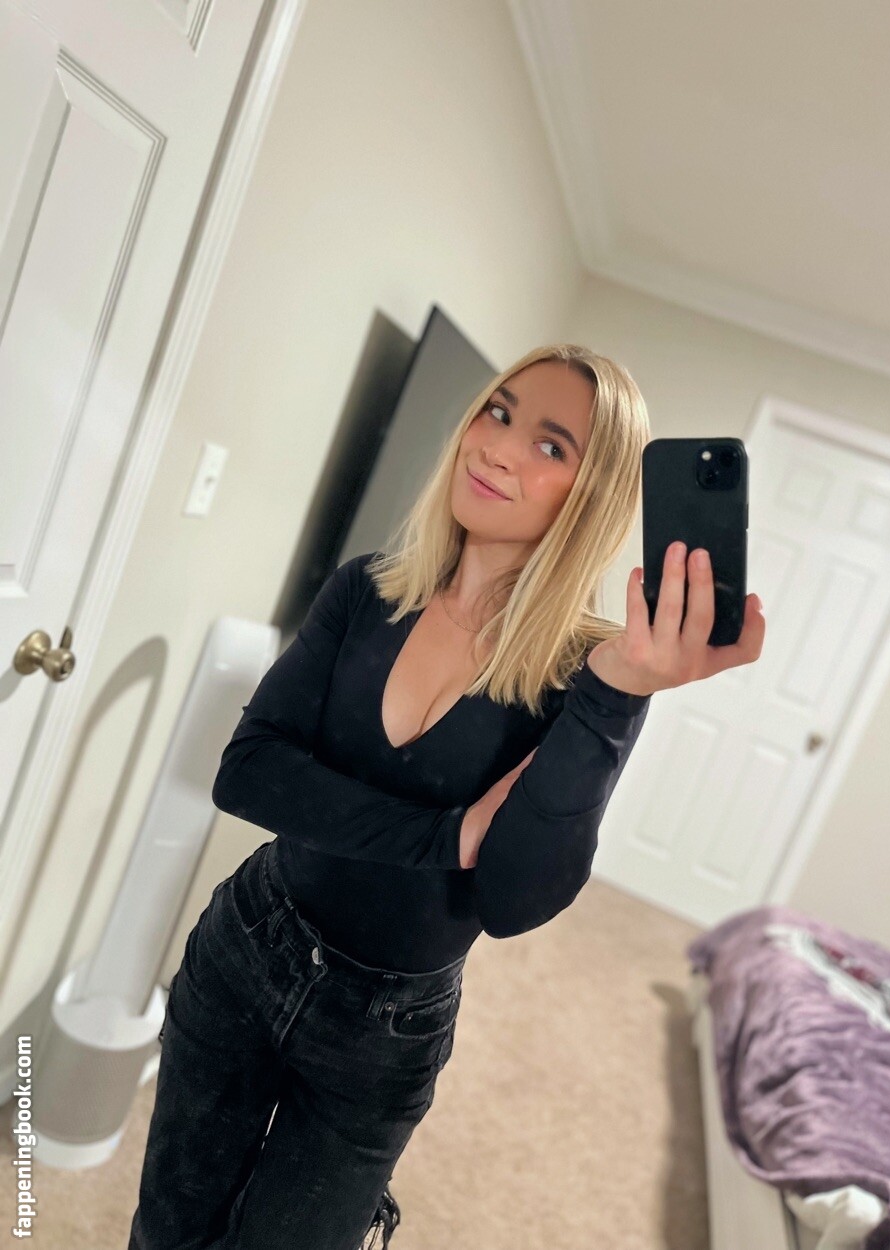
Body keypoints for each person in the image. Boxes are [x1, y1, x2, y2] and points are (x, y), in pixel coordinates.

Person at [128, 343, 765, 1250]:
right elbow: (250, 771)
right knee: (167, 1231)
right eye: (498, 413)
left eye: (550, 444)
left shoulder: (583, 676)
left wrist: (619, 692)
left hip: (383, 1032)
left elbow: (513, 898)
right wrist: (444, 835)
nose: (497, 447)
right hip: (248, 945)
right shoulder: (366, 590)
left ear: (591, 495)